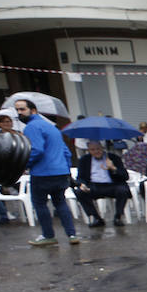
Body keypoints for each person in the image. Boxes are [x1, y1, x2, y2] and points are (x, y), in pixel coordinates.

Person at [17, 98, 79, 247]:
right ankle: (72, 234)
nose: (19, 112)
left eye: (22, 109)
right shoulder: (52, 127)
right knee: (60, 203)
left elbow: (37, 150)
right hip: (60, 172)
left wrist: (25, 164)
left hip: (43, 173)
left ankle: (48, 235)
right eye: (17, 110)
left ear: (33, 110)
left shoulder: (32, 127)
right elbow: (66, 152)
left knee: (40, 204)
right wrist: (66, 169)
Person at [72, 140, 131, 228]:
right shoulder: (84, 160)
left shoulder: (113, 158)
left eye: (98, 149)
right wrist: (82, 184)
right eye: (93, 150)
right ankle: (96, 217)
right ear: (88, 150)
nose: (96, 151)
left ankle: (118, 216)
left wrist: (113, 168)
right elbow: (80, 177)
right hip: (94, 185)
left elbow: (125, 177)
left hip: (112, 185)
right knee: (79, 192)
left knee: (123, 190)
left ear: (102, 148)